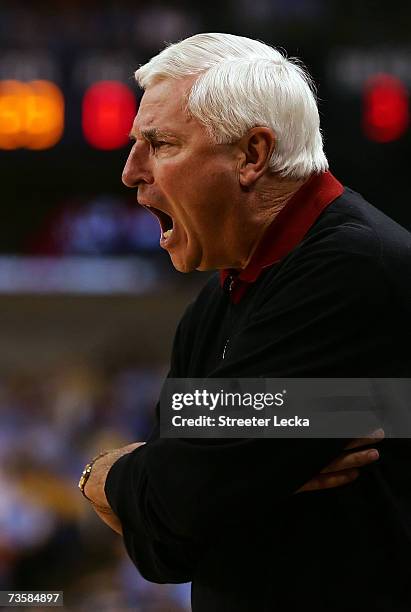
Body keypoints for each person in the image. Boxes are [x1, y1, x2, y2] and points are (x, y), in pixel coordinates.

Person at [79, 34, 411, 611]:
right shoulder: (213, 305)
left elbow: (181, 496)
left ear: (252, 155)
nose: (131, 172)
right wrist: (207, 475)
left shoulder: (354, 268)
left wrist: (105, 476)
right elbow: (164, 550)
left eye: (159, 143)